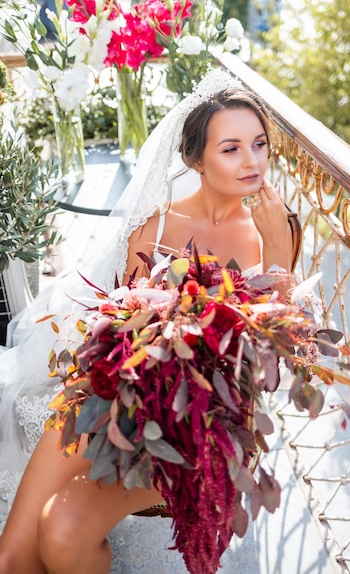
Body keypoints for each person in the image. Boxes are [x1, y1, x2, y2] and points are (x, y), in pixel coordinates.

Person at [0, 69, 294, 574]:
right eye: (231, 148)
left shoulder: (274, 227)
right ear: (194, 159)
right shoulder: (153, 228)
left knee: (64, 526)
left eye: (260, 144)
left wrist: (280, 256)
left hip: (205, 423)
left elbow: (278, 361)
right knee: (11, 554)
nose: (253, 161)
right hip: (123, 396)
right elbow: (119, 330)